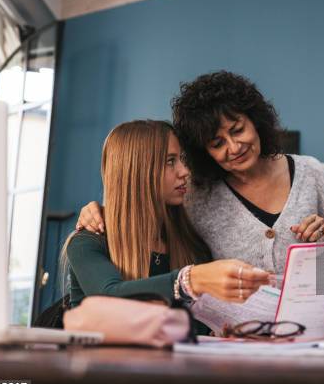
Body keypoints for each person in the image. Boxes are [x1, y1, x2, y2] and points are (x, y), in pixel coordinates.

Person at [77, 71, 324, 274]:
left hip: (315, 331)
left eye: (238, 129)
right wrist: (98, 211)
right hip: (232, 335)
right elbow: (139, 208)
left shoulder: (312, 173)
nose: (234, 147)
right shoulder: (194, 195)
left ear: (255, 121)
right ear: (203, 152)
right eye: (217, 144)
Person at [64, 120, 270, 310]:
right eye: (171, 161)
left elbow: (196, 322)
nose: (184, 171)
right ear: (137, 171)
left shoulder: (189, 244)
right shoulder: (87, 243)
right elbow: (109, 296)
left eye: (181, 159)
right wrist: (190, 280)